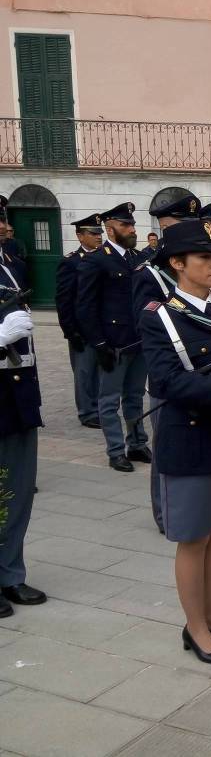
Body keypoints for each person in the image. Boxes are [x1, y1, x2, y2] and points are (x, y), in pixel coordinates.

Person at [138, 220, 211, 666]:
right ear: (177, 263)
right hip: (190, 437)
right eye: (204, 258)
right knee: (193, 538)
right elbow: (167, 381)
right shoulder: (160, 315)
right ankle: (195, 627)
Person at [133, 193, 199, 531]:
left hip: (205, 374)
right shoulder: (151, 274)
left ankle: (196, 504)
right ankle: (165, 511)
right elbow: (147, 329)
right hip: (171, 377)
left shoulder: (203, 263)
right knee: (167, 448)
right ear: (163, 227)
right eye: (178, 226)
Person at [76, 202, 152, 473]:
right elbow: (85, 306)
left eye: (131, 224)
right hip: (113, 343)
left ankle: (137, 443)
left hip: (137, 340)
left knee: (134, 396)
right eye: (125, 225)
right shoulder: (96, 259)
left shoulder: (135, 258)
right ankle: (116, 450)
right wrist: (98, 343)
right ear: (110, 229)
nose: (132, 229)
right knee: (109, 400)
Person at [0, 205, 47, 620]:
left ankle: (10, 571)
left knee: (16, 491)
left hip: (15, 396)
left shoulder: (8, 266)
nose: (5, 226)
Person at [56, 214, 103, 429]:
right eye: (93, 233)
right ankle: (87, 411)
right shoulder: (71, 262)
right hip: (81, 328)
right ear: (80, 236)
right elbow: (64, 299)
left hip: (104, 326)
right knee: (85, 371)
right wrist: (69, 330)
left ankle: (101, 407)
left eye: (99, 232)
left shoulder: (106, 257)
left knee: (104, 370)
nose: (98, 237)